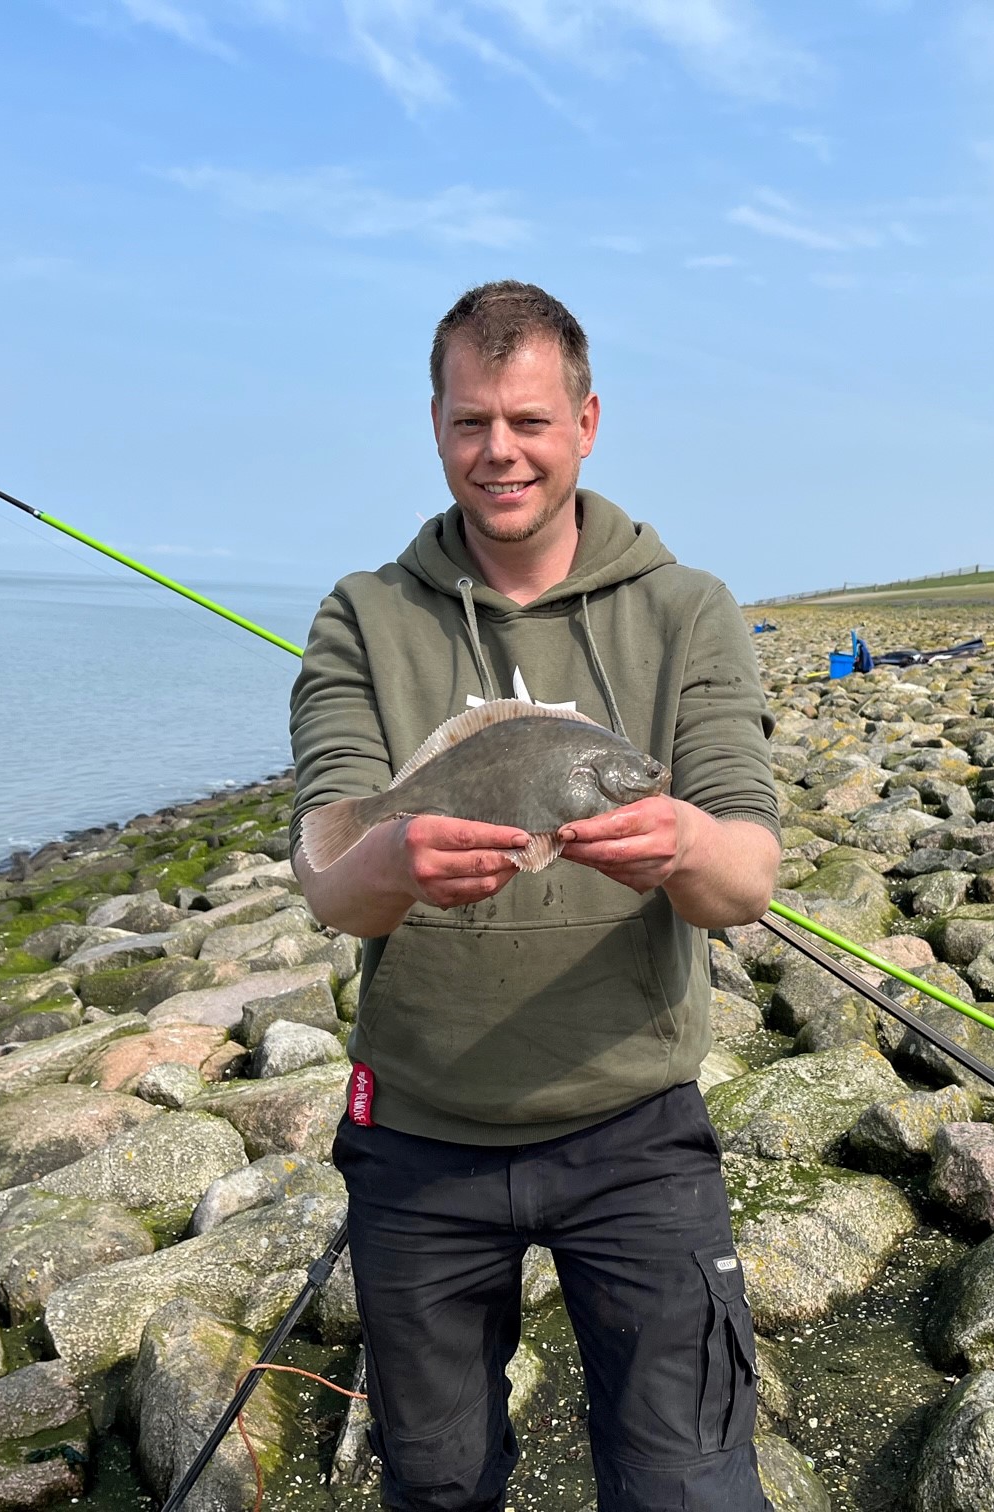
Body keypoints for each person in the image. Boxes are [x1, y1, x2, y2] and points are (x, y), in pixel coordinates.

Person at [288, 280, 781, 1512]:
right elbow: (330, 879)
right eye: (470, 422)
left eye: (528, 421)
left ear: (587, 423)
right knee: (438, 1486)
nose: (498, 451)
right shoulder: (361, 616)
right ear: (436, 426)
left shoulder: (689, 611)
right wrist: (393, 864)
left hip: (636, 1127)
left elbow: (747, 877)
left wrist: (680, 843)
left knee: (689, 1488)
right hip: (419, 1136)